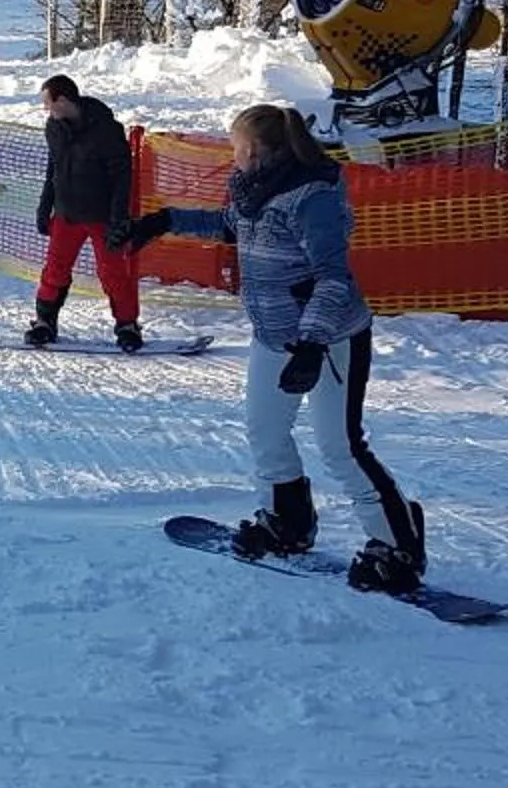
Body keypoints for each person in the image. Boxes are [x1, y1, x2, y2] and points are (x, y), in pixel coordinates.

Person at [118, 103, 425, 594]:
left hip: (329, 339)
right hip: (274, 335)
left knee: (339, 446)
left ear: (259, 150)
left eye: (236, 147)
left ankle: (397, 544)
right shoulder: (253, 190)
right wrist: (160, 221)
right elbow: (231, 226)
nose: (231, 155)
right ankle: (288, 523)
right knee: (265, 433)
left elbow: (334, 278)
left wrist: (310, 343)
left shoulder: (313, 199)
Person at [28, 73, 142, 352]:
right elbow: (52, 168)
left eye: (49, 103)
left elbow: (122, 176)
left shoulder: (106, 129)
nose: (47, 110)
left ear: (64, 100)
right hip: (67, 213)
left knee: (113, 272)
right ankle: (45, 321)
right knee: (55, 269)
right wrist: (45, 206)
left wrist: (119, 218)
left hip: (101, 215)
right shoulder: (53, 128)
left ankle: (127, 325)